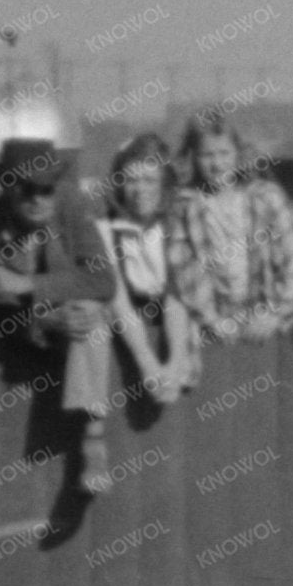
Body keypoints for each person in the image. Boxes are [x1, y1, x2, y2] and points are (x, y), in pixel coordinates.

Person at [0, 138, 117, 495]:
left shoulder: (71, 203)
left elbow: (103, 280)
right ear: (7, 188)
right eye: (26, 189)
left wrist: (29, 284)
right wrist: (46, 319)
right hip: (29, 332)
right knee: (82, 312)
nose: (38, 199)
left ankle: (93, 438)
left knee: (89, 314)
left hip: (74, 312)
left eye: (46, 189)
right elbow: (1, 314)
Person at [165, 112, 293, 348]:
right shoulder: (186, 204)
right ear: (193, 157)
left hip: (268, 318)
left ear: (238, 154)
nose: (217, 164)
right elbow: (183, 268)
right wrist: (213, 320)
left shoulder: (266, 196)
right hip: (214, 324)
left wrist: (276, 312)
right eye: (207, 155)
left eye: (224, 153)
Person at [91, 133, 200, 411]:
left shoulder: (178, 221)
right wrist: (147, 364)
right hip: (133, 312)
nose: (140, 190)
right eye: (131, 181)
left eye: (149, 180)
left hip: (179, 306)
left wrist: (174, 363)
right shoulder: (105, 229)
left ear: (164, 183)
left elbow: (177, 295)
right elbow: (118, 301)